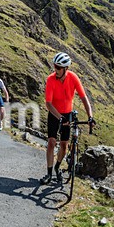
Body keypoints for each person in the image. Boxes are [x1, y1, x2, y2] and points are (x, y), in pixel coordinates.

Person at [41, 52, 95, 184]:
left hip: (67, 114)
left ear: (66, 68)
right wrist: (59, 117)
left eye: (58, 68)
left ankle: (57, 167)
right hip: (54, 113)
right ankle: (48, 173)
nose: (56, 70)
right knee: (52, 142)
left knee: (64, 146)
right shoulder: (50, 79)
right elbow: (48, 103)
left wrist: (90, 116)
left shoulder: (73, 77)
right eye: (55, 66)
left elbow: (83, 97)